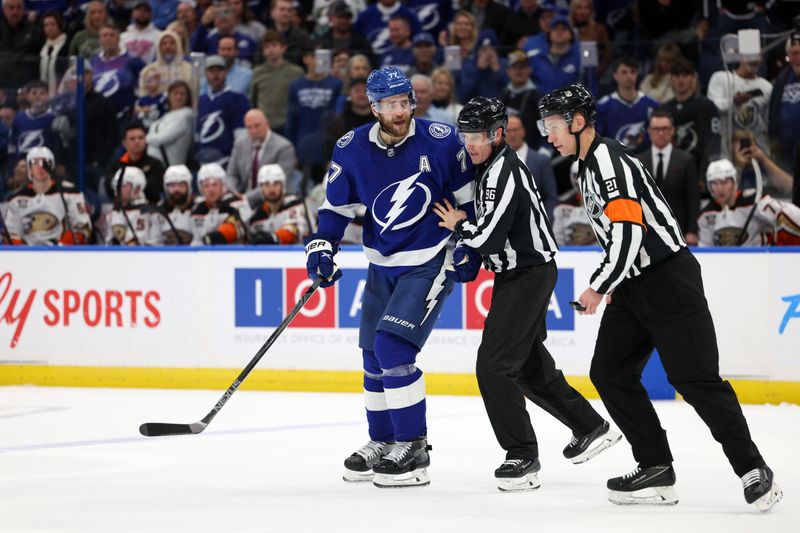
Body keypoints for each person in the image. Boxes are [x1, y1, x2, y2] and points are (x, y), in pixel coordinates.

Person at [537, 83, 783, 511]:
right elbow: (616, 235)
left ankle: (753, 468)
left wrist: (599, 286)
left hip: (668, 278)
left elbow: (632, 231)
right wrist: (614, 281)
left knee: (695, 380)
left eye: (554, 126)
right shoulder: (586, 165)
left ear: (578, 123)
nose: (548, 134)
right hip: (633, 285)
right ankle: (655, 467)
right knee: (610, 372)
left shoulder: (608, 162)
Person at [433, 97, 620, 492]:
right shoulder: (491, 167)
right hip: (521, 274)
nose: (471, 144)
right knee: (528, 368)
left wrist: (457, 225)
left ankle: (522, 455)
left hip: (527, 276)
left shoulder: (504, 172)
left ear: (499, 135)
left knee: (493, 366)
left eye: (479, 137)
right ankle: (590, 427)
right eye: (465, 136)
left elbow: (487, 237)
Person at [304, 66, 475, 488]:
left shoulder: (441, 140)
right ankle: (382, 441)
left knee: (393, 347)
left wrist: (468, 243)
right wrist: (323, 244)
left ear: (412, 102)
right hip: (381, 263)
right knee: (371, 355)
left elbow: (469, 200)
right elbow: (336, 209)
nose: (399, 112)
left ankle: (413, 446)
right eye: (389, 105)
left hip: (430, 260)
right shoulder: (352, 148)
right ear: (373, 106)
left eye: (404, 103)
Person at [698, 158, 800, 246]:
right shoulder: (705, 215)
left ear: (735, 182)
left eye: (725, 182)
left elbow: (787, 213)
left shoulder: (754, 202)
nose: (719, 188)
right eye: (714, 183)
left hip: (760, 264)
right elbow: (705, 249)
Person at [4, 147, 92, 245]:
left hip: (61, 255)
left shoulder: (69, 193)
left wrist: (61, 246)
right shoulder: (16, 199)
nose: (40, 166)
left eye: (45, 162)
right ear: (29, 168)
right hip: (27, 256)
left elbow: (82, 228)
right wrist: (24, 253)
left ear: (52, 166)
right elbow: (11, 235)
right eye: (35, 162)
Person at [637, 110, 700, 245]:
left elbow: (693, 198)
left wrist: (692, 231)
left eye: (665, 128)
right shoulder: (638, 161)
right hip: (647, 232)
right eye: (656, 129)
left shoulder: (686, 160)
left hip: (678, 231)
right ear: (649, 131)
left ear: (672, 131)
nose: (661, 133)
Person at [661, 58, 722, 178]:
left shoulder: (707, 106)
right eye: (677, 75)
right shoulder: (664, 110)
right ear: (671, 79)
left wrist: (705, 173)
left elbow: (714, 143)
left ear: (693, 78)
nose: (681, 80)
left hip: (700, 170)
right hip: (672, 174)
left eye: (685, 75)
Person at [227, 108, 297, 205]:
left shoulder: (284, 147)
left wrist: (246, 198)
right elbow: (231, 173)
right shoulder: (240, 144)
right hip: (242, 199)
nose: (254, 131)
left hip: (274, 200)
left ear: (267, 124)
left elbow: (280, 181)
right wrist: (233, 192)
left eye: (257, 126)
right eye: (249, 127)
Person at [595, 56, 659, 153]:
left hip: (644, 160)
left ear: (637, 74)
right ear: (615, 76)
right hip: (614, 160)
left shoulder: (651, 104)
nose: (629, 76)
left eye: (632, 71)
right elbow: (597, 139)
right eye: (624, 72)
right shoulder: (603, 106)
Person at [195, 55, 250, 166]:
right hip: (204, 162)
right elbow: (198, 134)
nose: (215, 75)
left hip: (227, 161)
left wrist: (236, 163)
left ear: (225, 73)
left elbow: (242, 136)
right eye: (211, 71)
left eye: (219, 71)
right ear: (206, 74)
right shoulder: (201, 100)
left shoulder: (238, 99)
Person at [249, 30, 305, 135]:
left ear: (283, 48)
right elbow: (253, 101)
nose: (270, 50)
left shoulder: (296, 72)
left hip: (289, 125)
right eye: (266, 47)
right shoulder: (257, 72)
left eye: (274, 45)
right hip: (265, 126)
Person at [505, 114, 557, 221]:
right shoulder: (497, 164)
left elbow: (551, 198)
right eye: (508, 131)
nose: (512, 134)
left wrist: (546, 224)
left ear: (523, 131)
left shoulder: (541, 161)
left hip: (539, 224)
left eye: (515, 130)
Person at [191, 162, 252, 245]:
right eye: (206, 186)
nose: (211, 189)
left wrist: (215, 238)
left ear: (223, 185)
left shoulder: (237, 203)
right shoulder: (197, 209)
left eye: (215, 184)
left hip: (235, 254)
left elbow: (236, 229)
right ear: (201, 189)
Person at [248, 164, 309, 244]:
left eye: (276, 183)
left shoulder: (296, 204)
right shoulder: (256, 215)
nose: (271, 189)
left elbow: (294, 230)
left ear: (283, 185)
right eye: (266, 184)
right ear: (261, 188)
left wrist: (274, 238)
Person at [109, 124, 167, 205]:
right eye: (132, 139)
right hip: (122, 209)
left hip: (150, 209)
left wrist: (127, 187)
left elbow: (155, 189)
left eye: (140, 138)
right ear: (124, 143)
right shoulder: (116, 165)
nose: (137, 141)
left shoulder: (155, 164)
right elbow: (110, 188)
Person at [106, 166, 161, 245]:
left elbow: (135, 246)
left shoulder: (148, 213)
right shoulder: (115, 212)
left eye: (123, 185)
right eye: (117, 185)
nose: (118, 189)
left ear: (137, 188)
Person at [146, 80, 196, 167]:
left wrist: (145, 138)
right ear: (169, 96)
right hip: (154, 166)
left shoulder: (186, 115)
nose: (179, 97)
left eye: (182, 94)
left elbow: (163, 138)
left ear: (188, 97)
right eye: (175, 93)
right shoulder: (165, 116)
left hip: (171, 168)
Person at [551, 160, 597, 246]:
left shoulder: (607, 205)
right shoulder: (562, 207)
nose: (583, 181)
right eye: (579, 177)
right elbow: (557, 242)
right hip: (571, 256)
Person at [156, 164, 196, 245]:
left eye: (181, 185)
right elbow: (154, 242)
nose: (176, 189)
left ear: (189, 186)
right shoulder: (158, 210)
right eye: (172, 185)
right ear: (166, 188)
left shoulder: (200, 208)